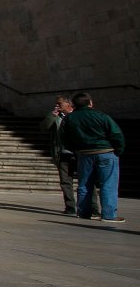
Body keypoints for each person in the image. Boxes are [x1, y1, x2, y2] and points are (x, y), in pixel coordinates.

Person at [61, 92, 126, 223]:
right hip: (106, 151)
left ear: (73, 105)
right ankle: (109, 214)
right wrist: (118, 150)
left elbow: (64, 137)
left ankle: (84, 211)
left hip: (84, 153)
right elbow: (116, 134)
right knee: (108, 183)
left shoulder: (69, 118)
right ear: (90, 103)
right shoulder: (101, 116)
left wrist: (75, 150)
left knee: (84, 183)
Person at [40, 95, 99, 216]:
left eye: (59, 104)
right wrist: (52, 116)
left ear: (68, 104)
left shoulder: (78, 115)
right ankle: (70, 207)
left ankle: (93, 208)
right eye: (56, 104)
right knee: (66, 182)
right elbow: (43, 128)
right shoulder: (56, 117)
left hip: (80, 154)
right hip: (63, 154)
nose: (57, 106)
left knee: (88, 180)